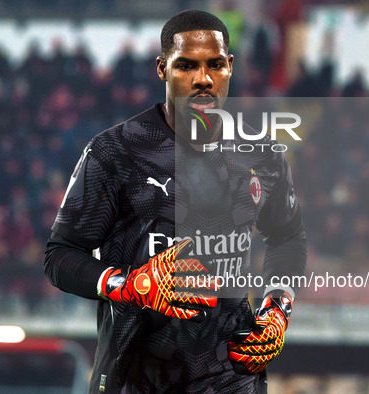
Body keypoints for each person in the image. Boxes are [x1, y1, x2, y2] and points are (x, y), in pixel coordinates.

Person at [44, 9, 307, 393]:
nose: (203, 79)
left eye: (215, 65)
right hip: (134, 378)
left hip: (230, 379)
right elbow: (60, 256)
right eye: (187, 66)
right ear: (162, 68)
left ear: (230, 67)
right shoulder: (114, 152)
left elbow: (288, 239)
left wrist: (277, 308)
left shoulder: (262, 155)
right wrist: (128, 285)